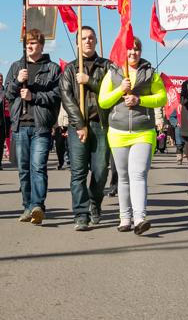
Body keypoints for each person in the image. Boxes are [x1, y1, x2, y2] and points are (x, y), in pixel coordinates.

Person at [98, 37, 166, 235]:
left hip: (143, 131)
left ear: (140, 51)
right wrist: (120, 90)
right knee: (123, 176)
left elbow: (161, 97)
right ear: (123, 52)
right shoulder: (113, 73)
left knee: (138, 174)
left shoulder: (150, 73)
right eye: (129, 49)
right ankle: (125, 218)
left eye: (136, 49)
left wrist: (139, 99)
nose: (133, 53)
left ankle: (139, 219)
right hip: (117, 132)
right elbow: (103, 101)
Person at [5, 28, 62, 225]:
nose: (30, 46)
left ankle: (38, 205)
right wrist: (17, 81)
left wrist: (34, 96)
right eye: (27, 43)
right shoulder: (16, 66)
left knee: (38, 167)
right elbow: (7, 94)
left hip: (41, 126)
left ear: (42, 45)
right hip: (20, 125)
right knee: (24, 169)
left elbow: (57, 95)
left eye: (34, 43)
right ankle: (27, 206)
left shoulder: (52, 68)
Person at [59, 26, 112, 232]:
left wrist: (89, 81)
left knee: (100, 171)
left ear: (96, 40)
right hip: (78, 127)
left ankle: (95, 202)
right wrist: (79, 124)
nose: (87, 41)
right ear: (77, 43)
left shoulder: (107, 66)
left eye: (91, 38)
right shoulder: (70, 69)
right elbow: (67, 97)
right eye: (83, 38)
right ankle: (81, 214)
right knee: (78, 173)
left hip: (101, 124)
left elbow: (114, 89)